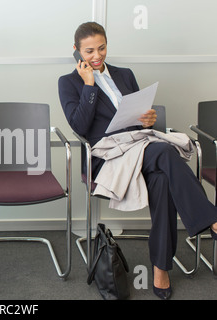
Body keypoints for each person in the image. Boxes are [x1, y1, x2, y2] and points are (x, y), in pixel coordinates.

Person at [58, 22, 217, 299]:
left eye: (102, 47)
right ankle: (212, 222)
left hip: (139, 147)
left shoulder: (125, 74)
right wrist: (89, 85)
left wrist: (148, 118)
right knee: (166, 154)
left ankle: (160, 267)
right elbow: (81, 127)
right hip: (107, 158)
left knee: (163, 179)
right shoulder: (69, 82)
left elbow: (140, 115)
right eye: (89, 50)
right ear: (76, 51)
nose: (97, 56)